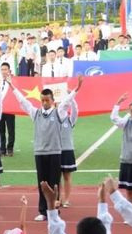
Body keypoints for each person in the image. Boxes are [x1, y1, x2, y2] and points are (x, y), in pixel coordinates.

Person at [9, 75, 82, 221]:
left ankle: (54, 211)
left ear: (53, 100)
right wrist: (12, 87)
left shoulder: (59, 112)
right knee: (42, 182)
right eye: (42, 100)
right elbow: (23, 102)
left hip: (55, 152)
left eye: (47, 100)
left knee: (54, 182)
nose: (44, 103)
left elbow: (67, 103)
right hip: (40, 152)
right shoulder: (35, 113)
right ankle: (43, 211)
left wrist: (76, 89)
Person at [58, 97, 78, 208]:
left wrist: (72, 97)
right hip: (55, 151)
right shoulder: (54, 118)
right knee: (56, 177)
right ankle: (58, 198)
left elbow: (75, 110)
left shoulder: (70, 120)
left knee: (67, 176)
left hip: (67, 151)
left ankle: (67, 199)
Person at [0, 63, 16, 156]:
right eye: (2, 69)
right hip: (0, 109)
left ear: (9, 71)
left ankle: (10, 148)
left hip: (10, 109)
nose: (4, 71)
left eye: (5, 69)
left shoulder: (13, 81)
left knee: (11, 130)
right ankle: (2, 149)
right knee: (1, 130)